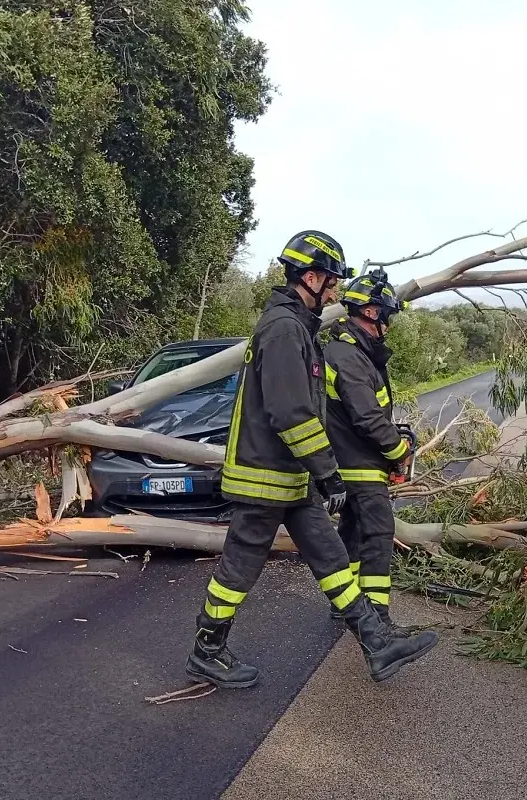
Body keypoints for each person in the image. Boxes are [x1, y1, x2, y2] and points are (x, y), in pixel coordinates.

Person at [184, 231, 438, 688]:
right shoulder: (283, 329)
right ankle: (208, 649)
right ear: (313, 277)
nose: (336, 293)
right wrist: (328, 473)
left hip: (288, 476)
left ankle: (376, 643)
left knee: (332, 554)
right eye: (333, 284)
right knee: (241, 564)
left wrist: (317, 474)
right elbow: (291, 412)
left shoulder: (296, 327)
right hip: (266, 476)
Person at [322, 268, 415, 632]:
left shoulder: (352, 353)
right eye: (387, 317)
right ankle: (376, 617)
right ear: (373, 313)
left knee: (353, 533)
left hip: (350, 464)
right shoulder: (348, 357)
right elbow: (365, 418)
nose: (388, 327)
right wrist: (399, 452)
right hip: (358, 466)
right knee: (377, 535)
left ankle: (347, 606)